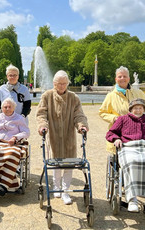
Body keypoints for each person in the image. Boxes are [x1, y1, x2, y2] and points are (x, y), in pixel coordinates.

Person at [105, 98, 145, 214]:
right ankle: (132, 200)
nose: (138, 110)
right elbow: (111, 133)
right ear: (131, 109)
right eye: (135, 108)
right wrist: (116, 138)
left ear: (144, 109)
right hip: (129, 148)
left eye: (140, 108)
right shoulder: (123, 119)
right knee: (131, 162)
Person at [36, 70, 89, 205]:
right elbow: (41, 113)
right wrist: (43, 125)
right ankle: (56, 187)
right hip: (53, 134)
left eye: (64, 83)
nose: (61, 86)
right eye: (59, 83)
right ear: (54, 83)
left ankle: (65, 191)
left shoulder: (73, 97)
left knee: (69, 164)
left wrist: (82, 125)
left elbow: (79, 115)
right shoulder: (47, 96)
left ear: (67, 84)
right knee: (56, 163)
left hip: (68, 136)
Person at [99, 66, 145, 153]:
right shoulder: (111, 96)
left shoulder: (139, 93)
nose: (122, 78)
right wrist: (114, 118)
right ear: (116, 79)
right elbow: (102, 112)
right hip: (120, 132)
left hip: (140, 131)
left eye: (124, 76)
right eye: (120, 76)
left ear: (128, 78)